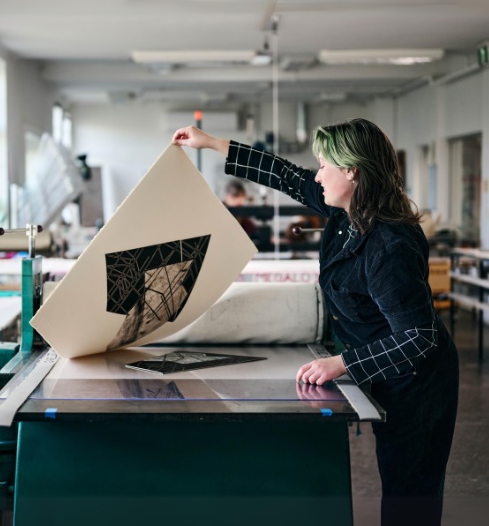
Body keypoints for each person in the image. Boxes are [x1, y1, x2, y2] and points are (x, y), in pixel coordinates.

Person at [172, 119, 459, 526]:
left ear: (352, 171)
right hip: (384, 366)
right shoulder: (347, 210)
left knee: (409, 492)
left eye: (325, 165)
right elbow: (286, 175)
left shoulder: (389, 245)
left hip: (417, 382)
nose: (317, 174)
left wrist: (342, 363)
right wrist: (213, 144)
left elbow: (418, 337)